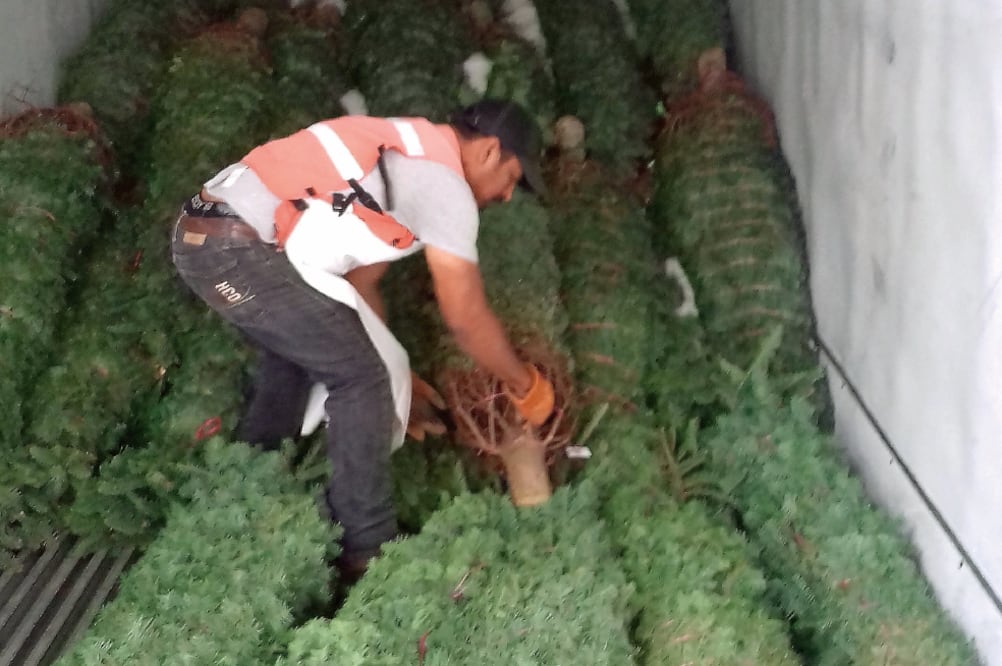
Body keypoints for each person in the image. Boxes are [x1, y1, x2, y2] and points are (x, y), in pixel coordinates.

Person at [170, 98, 556, 578]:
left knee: (300, 358)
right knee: (360, 380)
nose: (506, 196)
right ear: (490, 151)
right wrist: (524, 385)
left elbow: (361, 286)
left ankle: (249, 480)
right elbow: (466, 318)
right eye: (512, 179)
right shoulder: (445, 186)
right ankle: (367, 547)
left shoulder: (410, 153)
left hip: (209, 234)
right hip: (233, 247)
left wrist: (398, 374)